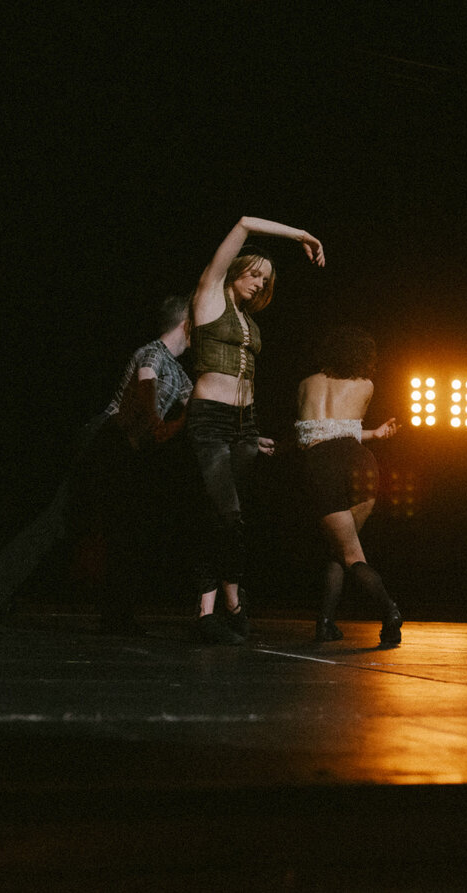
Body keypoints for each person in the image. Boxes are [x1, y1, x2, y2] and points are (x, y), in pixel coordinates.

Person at [0, 295, 193, 630]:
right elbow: (146, 384)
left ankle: (115, 612)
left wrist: (208, 428)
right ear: (187, 323)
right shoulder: (153, 352)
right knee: (67, 520)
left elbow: (201, 404)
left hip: (124, 447)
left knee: (116, 526)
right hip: (106, 439)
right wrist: (156, 418)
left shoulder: (180, 373)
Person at [184, 217, 325, 645]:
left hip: (244, 425)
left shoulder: (250, 320)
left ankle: (222, 608)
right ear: (236, 269)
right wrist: (301, 234)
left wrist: (253, 431)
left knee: (225, 517)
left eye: (266, 280)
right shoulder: (209, 295)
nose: (260, 283)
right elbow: (244, 222)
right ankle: (224, 605)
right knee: (228, 514)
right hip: (209, 419)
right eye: (254, 274)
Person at [295, 326, 402, 646]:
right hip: (361, 463)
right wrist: (376, 434)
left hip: (322, 467)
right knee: (339, 549)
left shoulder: (305, 384)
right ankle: (325, 622)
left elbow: (312, 436)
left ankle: (390, 610)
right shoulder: (365, 385)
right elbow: (345, 432)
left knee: (349, 551)